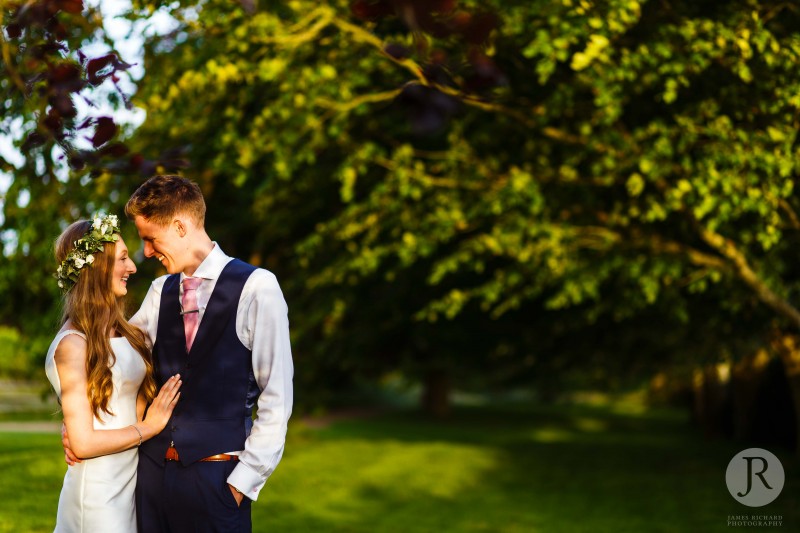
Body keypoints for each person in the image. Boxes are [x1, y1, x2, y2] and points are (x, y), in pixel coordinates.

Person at [64, 175, 294, 532]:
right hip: (151, 483)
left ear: (180, 226)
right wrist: (80, 423)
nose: (148, 253)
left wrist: (241, 483)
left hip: (217, 482)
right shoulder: (160, 291)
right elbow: (112, 357)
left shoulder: (257, 288)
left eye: (150, 239)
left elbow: (277, 398)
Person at [46, 214, 183, 533]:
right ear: (98, 268)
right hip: (97, 496)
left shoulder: (126, 331)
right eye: (122, 258)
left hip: (131, 484)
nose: (132, 267)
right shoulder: (72, 345)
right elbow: (82, 443)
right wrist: (148, 428)